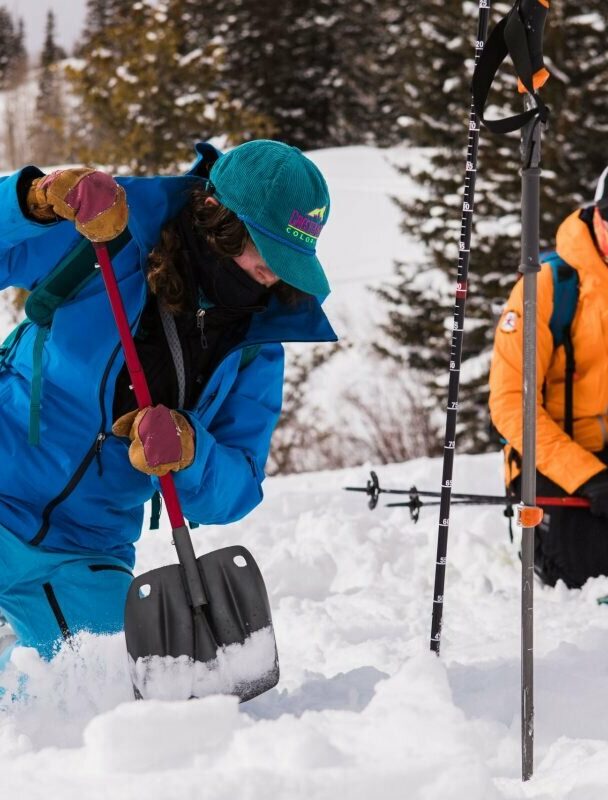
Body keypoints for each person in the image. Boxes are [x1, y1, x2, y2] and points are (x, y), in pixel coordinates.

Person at [0, 139, 337, 665]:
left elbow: (240, 484)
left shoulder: (257, 343)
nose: (275, 273)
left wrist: (191, 450)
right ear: (217, 216)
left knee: (95, 684)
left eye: (289, 258)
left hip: (83, 546)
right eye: (267, 249)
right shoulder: (109, 228)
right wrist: (33, 202)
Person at [489, 166, 608, 589]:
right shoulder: (548, 286)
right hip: (556, 460)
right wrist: (587, 475)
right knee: (586, 568)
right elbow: (510, 403)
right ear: (596, 213)